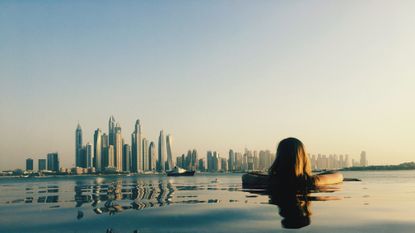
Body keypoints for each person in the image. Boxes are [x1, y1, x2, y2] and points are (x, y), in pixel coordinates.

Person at [242, 137, 343, 189]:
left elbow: (245, 176)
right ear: (304, 159)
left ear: (278, 158)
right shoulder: (312, 181)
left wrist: (267, 176)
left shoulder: (270, 181)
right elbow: (339, 175)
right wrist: (314, 176)